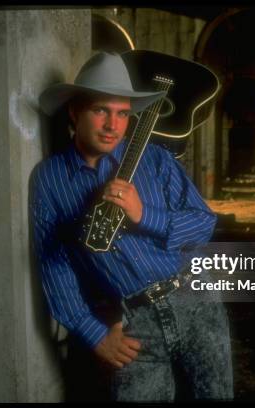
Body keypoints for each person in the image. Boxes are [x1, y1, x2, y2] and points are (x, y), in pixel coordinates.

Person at [30, 51, 233, 402]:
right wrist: (93, 334)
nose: (113, 125)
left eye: (123, 113)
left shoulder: (155, 159)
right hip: (133, 322)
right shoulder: (49, 179)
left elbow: (204, 223)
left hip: (197, 301)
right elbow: (54, 265)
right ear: (75, 111)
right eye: (100, 111)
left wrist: (144, 215)